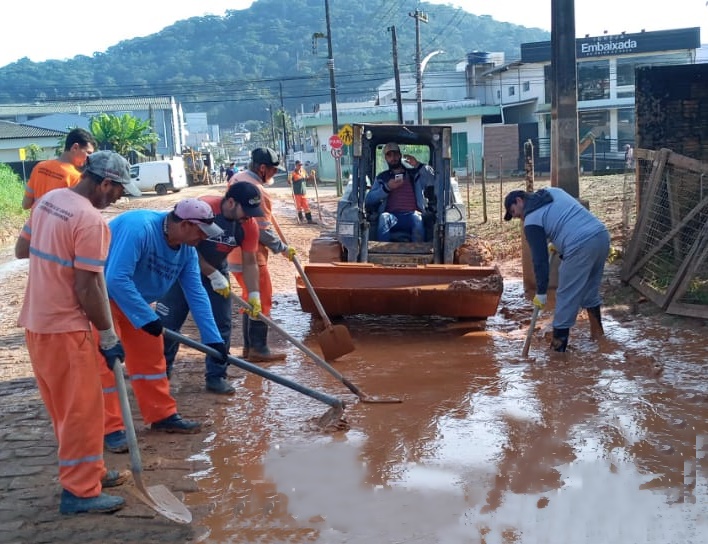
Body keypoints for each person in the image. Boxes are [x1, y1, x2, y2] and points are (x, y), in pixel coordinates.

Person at [14, 151, 141, 515]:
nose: (117, 198)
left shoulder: (49, 200)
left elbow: (22, 250)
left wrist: (56, 255)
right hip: (67, 329)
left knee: (64, 410)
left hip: (37, 323)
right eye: (118, 191)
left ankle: (90, 471)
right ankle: (81, 492)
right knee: (82, 413)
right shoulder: (89, 221)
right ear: (104, 183)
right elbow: (88, 288)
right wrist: (108, 335)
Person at [100, 198, 230, 450]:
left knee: (151, 356)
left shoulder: (186, 251)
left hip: (134, 299)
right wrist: (147, 318)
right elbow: (115, 278)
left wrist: (213, 339)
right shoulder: (139, 228)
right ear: (185, 225)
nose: (203, 238)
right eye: (201, 232)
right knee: (107, 363)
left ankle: (161, 415)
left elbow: (196, 293)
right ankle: (111, 429)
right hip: (101, 297)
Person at [158, 182, 263, 394]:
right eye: (246, 210)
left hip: (217, 271)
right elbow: (188, 249)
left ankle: (216, 376)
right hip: (181, 270)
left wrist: (253, 294)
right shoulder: (205, 209)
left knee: (221, 325)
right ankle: (160, 371)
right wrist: (212, 274)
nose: (249, 216)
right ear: (231, 202)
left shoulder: (248, 224)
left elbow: (250, 262)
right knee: (167, 323)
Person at [503, 187, 610, 352]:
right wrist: (559, 243)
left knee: (566, 295)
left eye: (516, 213)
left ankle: (557, 352)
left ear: (519, 200)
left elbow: (539, 260)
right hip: (601, 236)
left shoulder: (531, 220)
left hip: (580, 245)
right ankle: (598, 335)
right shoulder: (553, 192)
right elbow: (567, 218)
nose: (520, 218)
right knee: (590, 290)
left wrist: (541, 291)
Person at [227, 147, 296, 362]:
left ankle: (249, 349)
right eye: (274, 171)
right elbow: (263, 230)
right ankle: (259, 348)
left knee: (250, 299)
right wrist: (282, 248)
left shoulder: (237, 178)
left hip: (234, 253)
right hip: (251, 255)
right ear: (263, 168)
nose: (275, 175)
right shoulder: (257, 191)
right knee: (262, 298)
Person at [365, 142, 435, 242]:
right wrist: (387, 188)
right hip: (391, 215)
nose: (393, 157)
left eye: (395, 154)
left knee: (418, 220)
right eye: (389, 155)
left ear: (400, 155)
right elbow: (369, 199)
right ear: (386, 158)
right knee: (383, 218)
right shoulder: (382, 178)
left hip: (411, 215)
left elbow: (432, 177)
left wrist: (417, 165)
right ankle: (382, 252)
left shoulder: (414, 175)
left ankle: (418, 253)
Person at [22, 128, 98, 210]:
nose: (89, 158)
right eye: (88, 153)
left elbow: (26, 204)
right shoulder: (77, 178)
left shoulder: (39, 167)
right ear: (75, 148)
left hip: (36, 221)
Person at [289, 160, 316, 224]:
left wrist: (312, 176)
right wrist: (290, 179)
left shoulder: (303, 171)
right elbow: (289, 182)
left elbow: (307, 178)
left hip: (303, 193)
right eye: (299, 165)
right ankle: (300, 219)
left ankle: (309, 220)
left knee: (306, 207)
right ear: (296, 165)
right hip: (296, 193)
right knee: (298, 207)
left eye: (301, 165)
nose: (300, 166)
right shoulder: (293, 173)